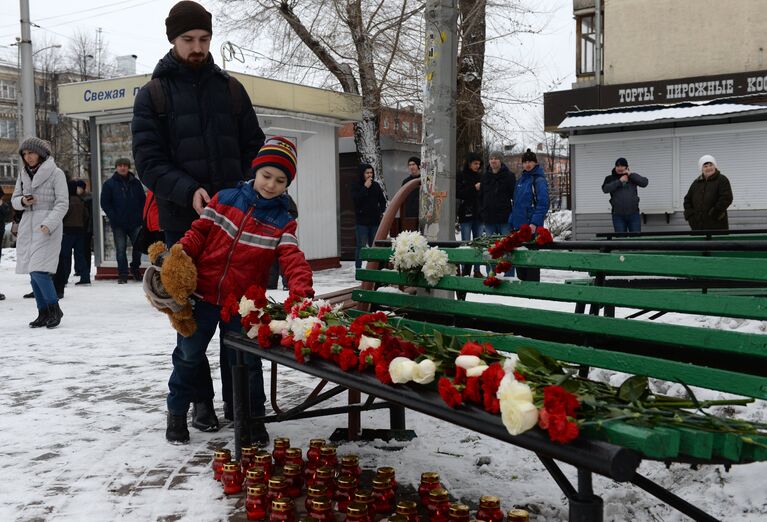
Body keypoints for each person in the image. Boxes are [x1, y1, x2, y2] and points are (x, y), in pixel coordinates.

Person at [131, 0, 266, 435]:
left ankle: (244, 408)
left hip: (237, 227)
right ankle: (200, 403)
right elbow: (148, 161)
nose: (198, 47)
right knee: (191, 318)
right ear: (173, 39)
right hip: (183, 225)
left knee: (238, 315)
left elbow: (255, 148)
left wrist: (247, 192)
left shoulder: (230, 89)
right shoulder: (152, 95)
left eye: (204, 39)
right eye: (189, 39)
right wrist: (188, 191)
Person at [161, 137, 314, 444]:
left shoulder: (283, 222)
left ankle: (251, 417)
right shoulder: (226, 199)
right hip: (202, 297)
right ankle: (177, 412)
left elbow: (292, 260)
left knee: (246, 363)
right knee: (188, 356)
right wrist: (180, 252)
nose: (271, 184)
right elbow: (199, 233)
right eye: (266, 175)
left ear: (288, 184)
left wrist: (302, 293)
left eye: (280, 180)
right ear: (255, 171)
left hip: (242, 304)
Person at [10, 137, 68, 328]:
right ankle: (42, 312)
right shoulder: (23, 173)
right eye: (25, 154)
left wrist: (49, 223)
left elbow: (62, 203)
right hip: (28, 223)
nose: (28, 157)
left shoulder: (56, 173)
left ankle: (54, 309)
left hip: (47, 226)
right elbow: (14, 199)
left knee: (39, 270)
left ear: (41, 153)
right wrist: (23, 202)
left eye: (31, 153)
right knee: (32, 272)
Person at [100, 158, 146, 284]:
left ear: (128, 167)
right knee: (121, 250)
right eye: (120, 165)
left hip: (135, 222)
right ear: (116, 167)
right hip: (118, 224)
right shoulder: (109, 184)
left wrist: (141, 217)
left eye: (125, 165)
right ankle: (123, 274)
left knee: (138, 248)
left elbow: (143, 200)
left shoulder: (136, 183)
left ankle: (135, 269)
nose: (122, 168)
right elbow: (104, 203)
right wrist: (113, 217)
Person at [509, 149, 550, 282]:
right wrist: (512, 222)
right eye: (525, 162)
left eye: (530, 161)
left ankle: (533, 293)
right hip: (518, 228)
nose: (527, 164)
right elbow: (515, 204)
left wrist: (534, 223)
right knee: (520, 261)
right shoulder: (520, 180)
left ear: (535, 163)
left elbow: (543, 204)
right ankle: (522, 294)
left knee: (531, 262)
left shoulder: (538, 180)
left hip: (531, 228)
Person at [53, 180, 90, 296]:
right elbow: (86, 216)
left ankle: (63, 278)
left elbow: (61, 215)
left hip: (67, 231)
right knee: (80, 255)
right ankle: (85, 277)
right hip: (80, 231)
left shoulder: (66, 201)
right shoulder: (80, 200)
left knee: (65, 256)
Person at [683, 155, 733, 231]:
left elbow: (726, 198)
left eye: (711, 165)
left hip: (717, 225)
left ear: (715, 166)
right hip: (697, 226)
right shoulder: (696, 183)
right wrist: (690, 217)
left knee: (717, 243)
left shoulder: (722, 180)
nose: (709, 168)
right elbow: (687, 200)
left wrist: (715, 214)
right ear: (701, 169)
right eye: (705, 166)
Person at [352, 163, 387, 269]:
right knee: (361, 246)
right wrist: (365, 188)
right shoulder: (356, 186)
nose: (369, 175)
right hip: (362, 222)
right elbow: (356, 201)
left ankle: (376, 268)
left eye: (371, 172)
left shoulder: (376, 185)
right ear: (362, 174)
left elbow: (382, 201)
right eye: (367, 173)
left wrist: (380, 211)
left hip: (375, 221)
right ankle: (358, 269)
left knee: (375, 246)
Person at [601, 157, 649, 233]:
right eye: (617, 166)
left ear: (626, 167)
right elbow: (605, 189)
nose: (620, 168)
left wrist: (631, 174)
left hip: (634, 214)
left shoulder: (632, 178)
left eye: (622, 166)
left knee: (636, 239)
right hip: (618, 216)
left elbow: (645, 183)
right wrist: (620, 181)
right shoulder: (610, 178)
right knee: (621, 240)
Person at [456, 152, 484, 277]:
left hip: (478, 214)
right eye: (475, 163)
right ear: (469, 163)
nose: (477, 166)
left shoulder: (480, 176)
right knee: (466, 243)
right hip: (465, 213)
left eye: (479, 164)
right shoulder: (461, 175)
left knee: (478, 243)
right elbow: (458, 193)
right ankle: (465, 270)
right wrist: (474, 188)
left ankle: (477, 270)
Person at [479, 151, 515, 237]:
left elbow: (514, 196)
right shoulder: (485, 176)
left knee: (506, 245)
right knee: (490, 248)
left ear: (501, 161)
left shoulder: (509, 176)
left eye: (496, 158)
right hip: (489, 219)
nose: (493, 161)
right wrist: (482, 213)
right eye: (491, 159)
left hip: (504, 219)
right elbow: (480, 196)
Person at [74, 179, 93, 282]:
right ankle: (78, 269)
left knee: (85, 250)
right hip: (79, 227)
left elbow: (89, 216)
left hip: (86, 228)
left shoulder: (88, 198)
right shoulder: (75, 198)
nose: (78, 189)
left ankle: (85, 270)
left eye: (79, 187)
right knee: (79, 250)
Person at [400, 156, 421, 231]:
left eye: (413, 164)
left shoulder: (424, 180)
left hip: (422, 214)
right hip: (409, 215)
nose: (411, 167)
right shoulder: (405, 181)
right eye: (410, 165)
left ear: (419, 166)